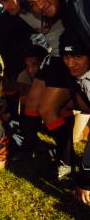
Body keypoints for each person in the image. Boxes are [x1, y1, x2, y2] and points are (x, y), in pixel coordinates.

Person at [2, 0, 76, 180]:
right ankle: (29, 145)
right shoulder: (26, 11)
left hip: (68, 57)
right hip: (55, 57)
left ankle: (66, 158)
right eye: (1, 4)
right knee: (33, 100)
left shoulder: (54, 0)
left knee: (48, 108)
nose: (5, 7)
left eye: (6, 0)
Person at [59, 30, 90, 205]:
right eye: (66, 57)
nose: (70, 63)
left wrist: (86, 177)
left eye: (77, 56)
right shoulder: (79, 75)